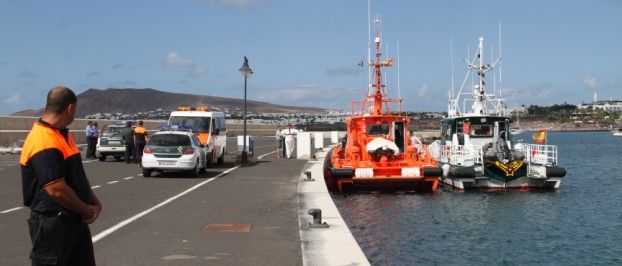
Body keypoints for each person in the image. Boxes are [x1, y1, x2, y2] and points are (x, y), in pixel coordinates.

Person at [20, 86, 101, 265]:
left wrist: (93, 201)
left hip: (74, 219)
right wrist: (86, 209)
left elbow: (76, 176)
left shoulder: (62, 135)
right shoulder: (43, 139)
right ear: (70, 108)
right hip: (52, 222)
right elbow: (56, 189)